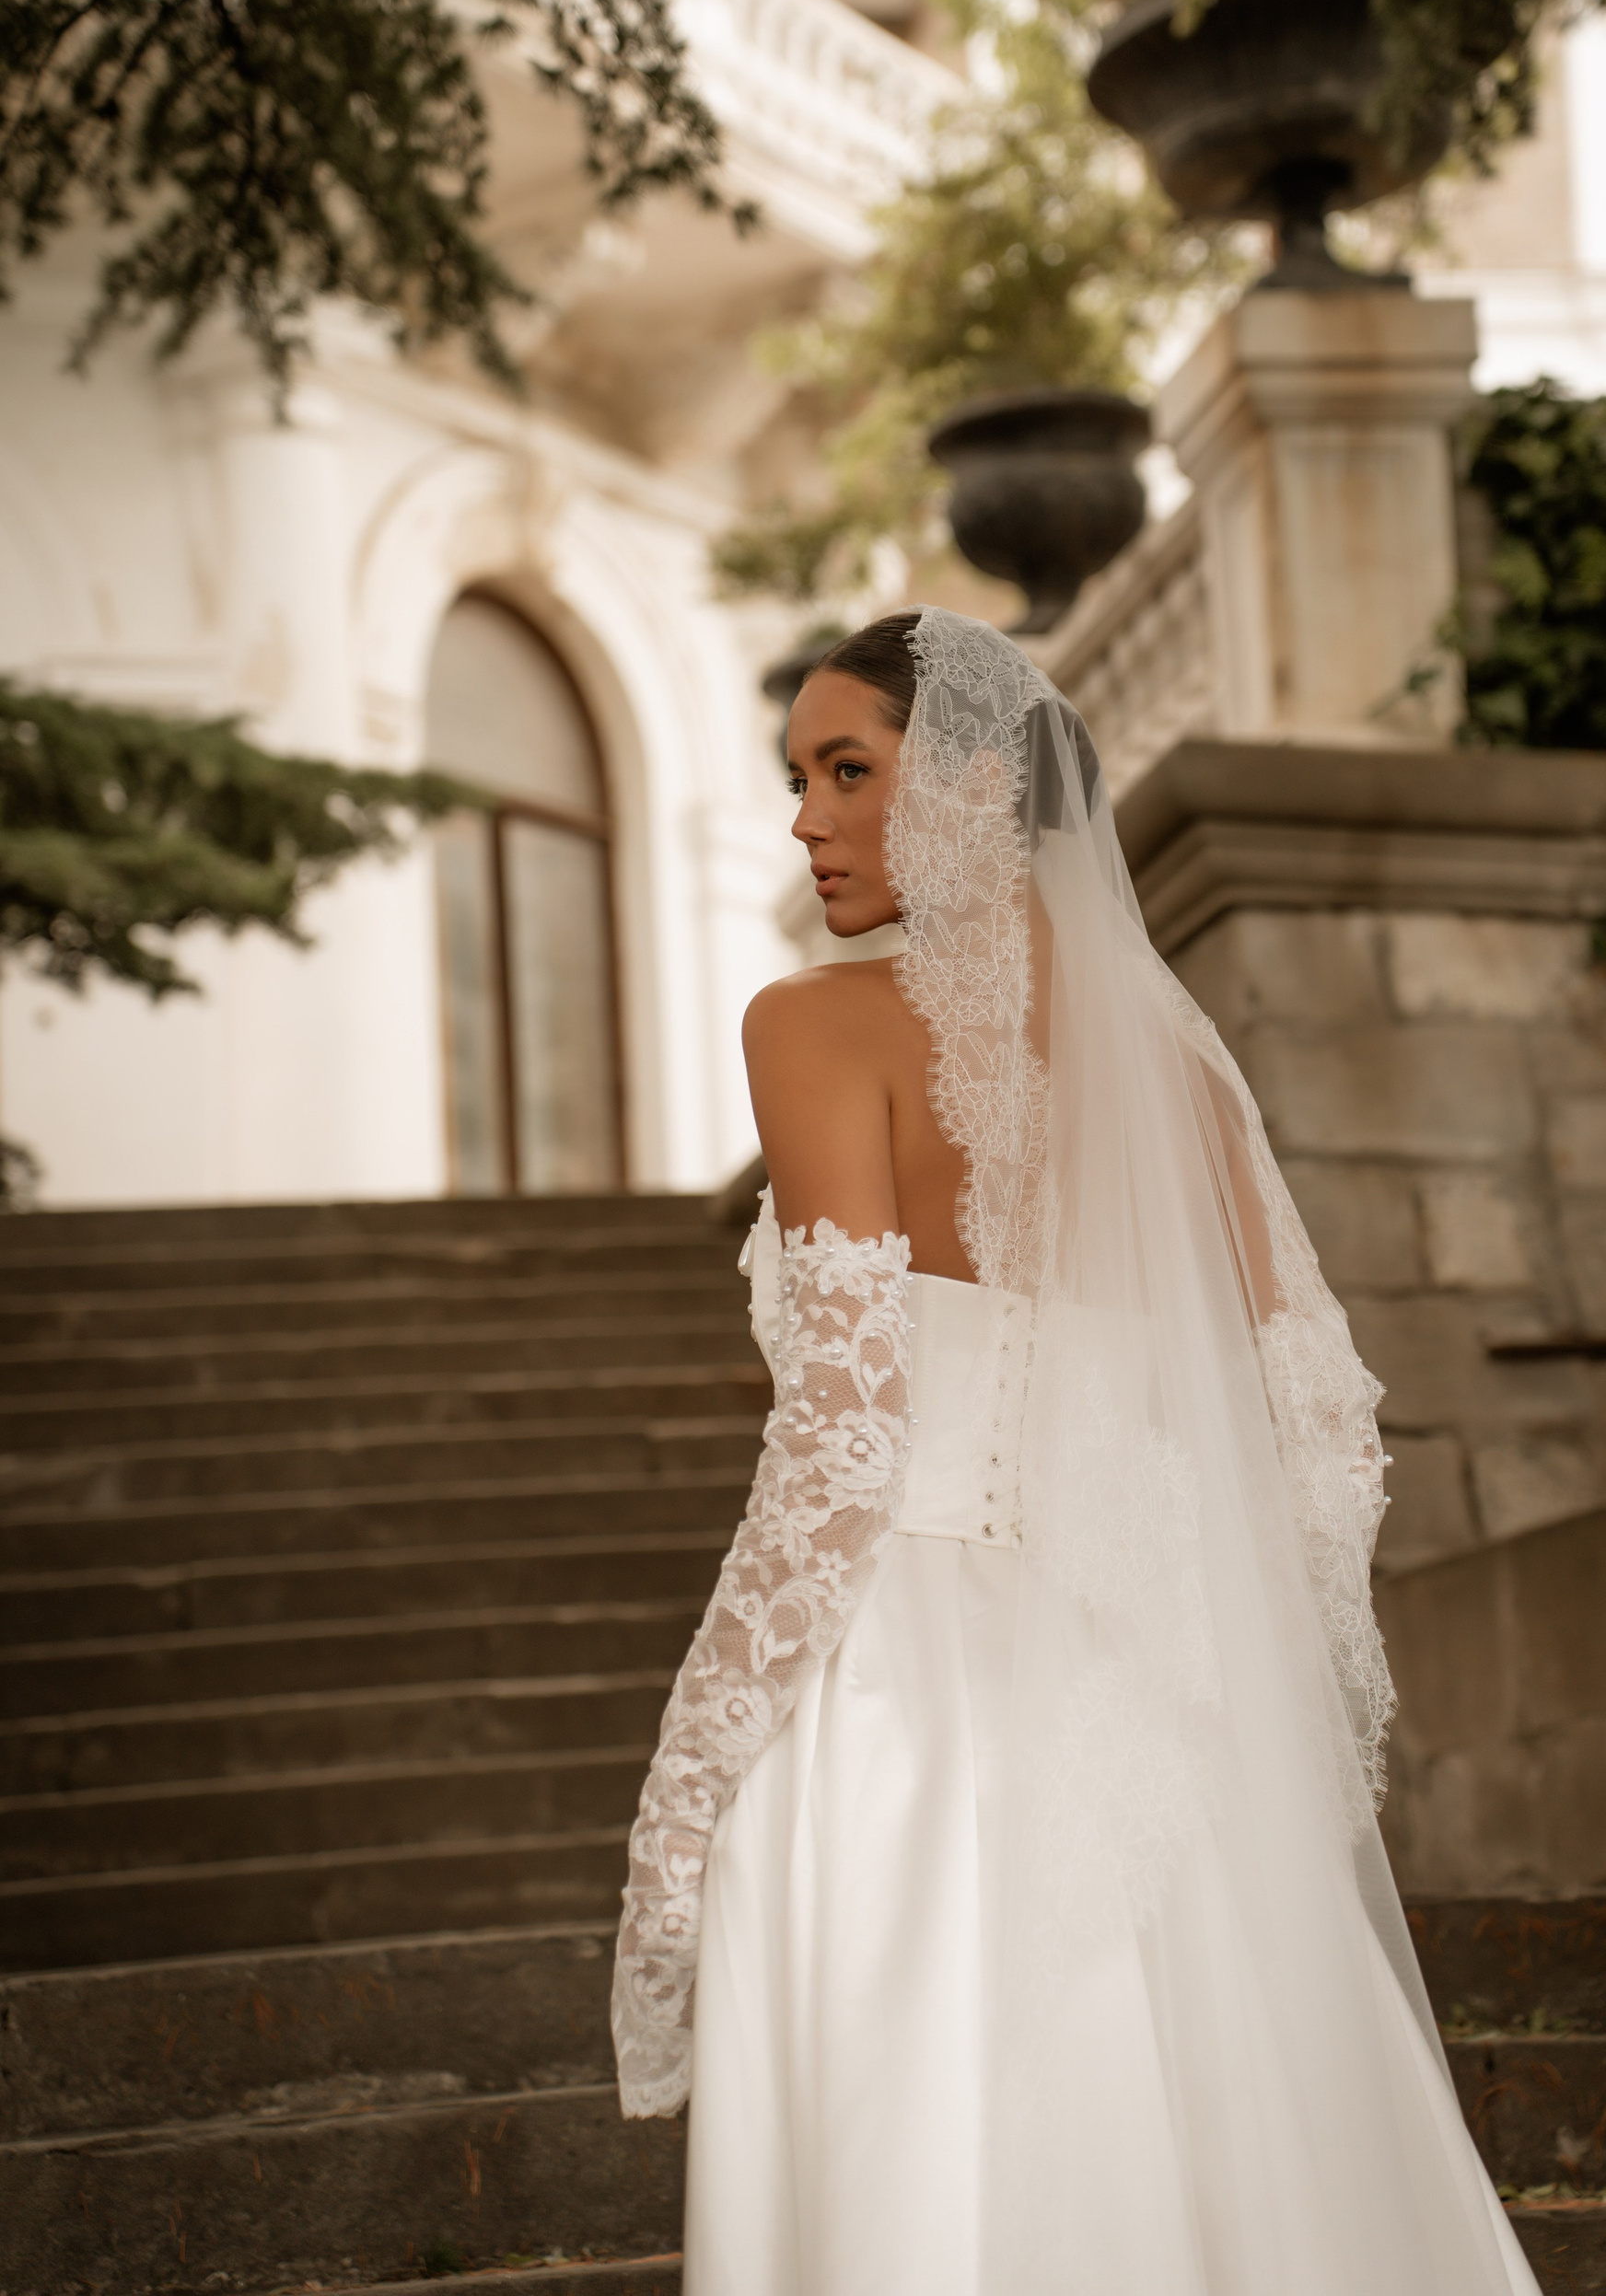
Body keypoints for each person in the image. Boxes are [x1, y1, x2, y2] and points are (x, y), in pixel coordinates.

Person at [612, 607, 1540, 2296]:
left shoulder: (811, 1027)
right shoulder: (1182, 1070)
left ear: (973, 785)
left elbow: (844, 1440)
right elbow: (1325, 1429)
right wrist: (1237, 1669)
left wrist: (696, 1765)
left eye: (847, 772)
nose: (806, 821)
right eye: (798, 780)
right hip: (1153, 1706)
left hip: (903, 1684)